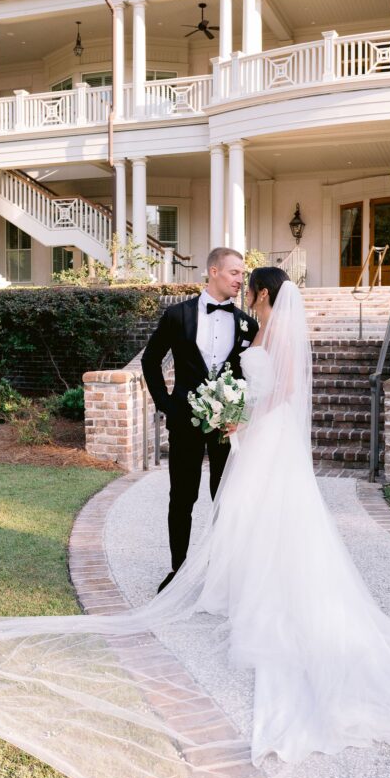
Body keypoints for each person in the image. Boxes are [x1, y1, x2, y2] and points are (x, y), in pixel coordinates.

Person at [0, 268, 390, 778]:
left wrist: (237, 418)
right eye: (235, 275)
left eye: (249, 282)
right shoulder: (232, 326)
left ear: (260, 295)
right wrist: (204, 410)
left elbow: (276, 396)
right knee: (235, 516)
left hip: (261, 447)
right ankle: (235, 587)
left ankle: (257, 600)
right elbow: (203, 374)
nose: (242, 287)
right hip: (251, 443)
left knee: (252, 517)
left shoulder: (260, 336)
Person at [142, 246, 258, 593]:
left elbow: (251, 375)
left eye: (242, 274)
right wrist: (166, 403)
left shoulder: (247, 324)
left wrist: (241, 412)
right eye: (235, 272)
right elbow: (150, 359)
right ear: (213, 271)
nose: (241, 279)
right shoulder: (178, 315)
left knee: (223, 499)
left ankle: (221, 576)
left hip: (227, 427)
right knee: (182, 497)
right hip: (185, 422)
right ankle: (178, 569)